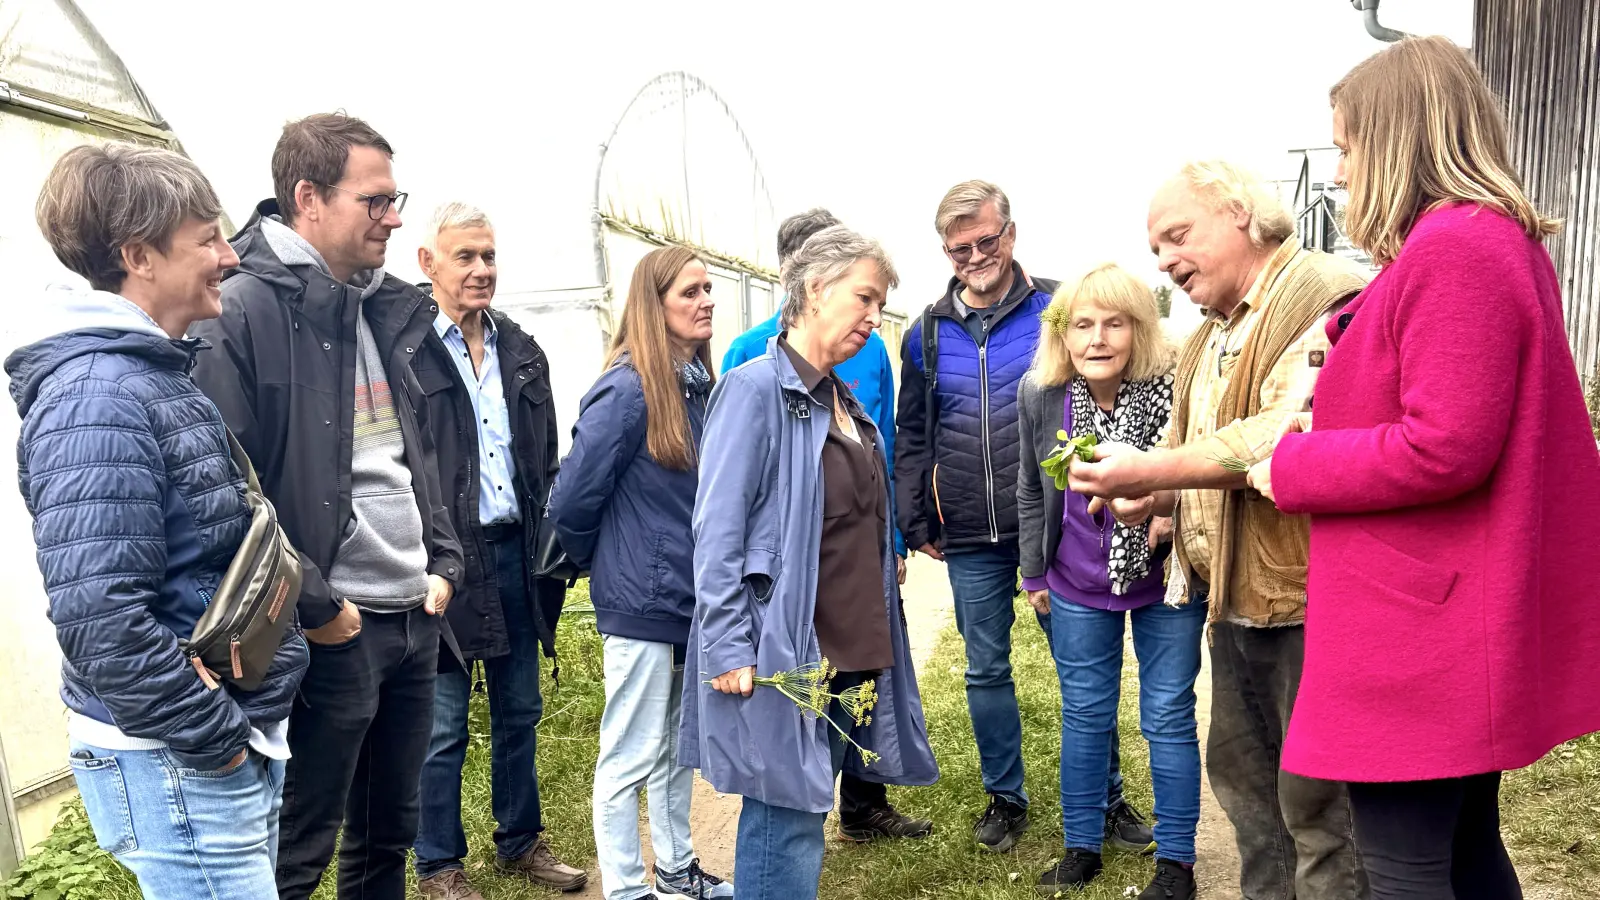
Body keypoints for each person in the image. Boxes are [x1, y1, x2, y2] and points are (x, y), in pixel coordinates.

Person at [1245, 36, 1600, 900]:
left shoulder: (1460, 248)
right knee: (1466, 855)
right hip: (1437, 615)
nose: (1338, 172)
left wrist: (1286, 466)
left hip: (1419, 633)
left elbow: (1445, 444)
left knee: (1407, 871)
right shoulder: (1472, 244)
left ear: (1400, 138)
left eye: (1348, 147)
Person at [10, 143, 309, 897]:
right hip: (176, 757)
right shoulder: (98, 397)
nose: (228, 258)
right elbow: (101, 615)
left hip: (198, 749)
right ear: (139, 256)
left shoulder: (147, 373)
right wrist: (218, 741)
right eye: (206, 239)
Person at [1066, 160, 1370, 900]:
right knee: (1245, 786)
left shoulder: (1321, 295)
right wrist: (1160, 503)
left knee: (1320, 805)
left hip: (1306, 603)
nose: (1166, 260)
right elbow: (1197, 459)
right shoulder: (1208, 335)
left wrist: (1150, 469)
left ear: (1239, 213)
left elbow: (1286, 436)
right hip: (1233, 604)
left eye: (1177, 236)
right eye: (1156, 250)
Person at [190, 113, 464, 900]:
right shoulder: (243, 311)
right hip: (330, 631)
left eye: (394, 198)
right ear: (308, 197)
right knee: (297, 851)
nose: (397, 217)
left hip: (412, 613)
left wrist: (441, 563)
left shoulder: (381, 306)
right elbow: (227, 485)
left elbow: (422, 454)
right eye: (376, 201)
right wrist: (320, 609)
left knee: (388, 837)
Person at [894, 180, 1152, 853]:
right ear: (945, 252)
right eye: (960, 249)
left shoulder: (1060, 309)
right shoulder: (925, 332)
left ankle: (1107, 799)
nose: (976, 256)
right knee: (985, 668)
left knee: (1081, 666)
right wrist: (914, 516)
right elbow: (913, 431)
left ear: (1010, 234)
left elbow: (1107, 397)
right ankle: (1005, 798)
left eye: (987, 240)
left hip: (1056, 522)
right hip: (971, 531)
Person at [683, 225, 939, 900]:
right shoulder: (752, 390)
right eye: (865, 297)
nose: (874, 315)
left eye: (880, 302)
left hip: (847, 643)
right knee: (786, 812)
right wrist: (729, 647)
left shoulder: (839, 398)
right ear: (817, 289)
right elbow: (716, 532)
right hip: (785, 647)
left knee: (809, 803)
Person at [411, 203, 587, 898]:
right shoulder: (407, 355)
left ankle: (520, 841)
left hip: (515, 554)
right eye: (465, 257)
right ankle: (438, 865)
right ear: (428, 264)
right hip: (443, 561)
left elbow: (543, 462)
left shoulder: (520, 349)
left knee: (520, 709)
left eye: (488, 256)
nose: (482, 270)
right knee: (443, 723)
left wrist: (557, 542)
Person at [548, 246, 732, 900]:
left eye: (709, 288)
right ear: (653, 306)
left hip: (687, 602)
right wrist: (609, 563)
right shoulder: (628, 388)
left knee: (676, 754)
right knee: (627, 757)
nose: (706, 300)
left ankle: (679, 876)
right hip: (641, 602)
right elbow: (572, 498)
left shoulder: (695, 387)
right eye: (690, 291)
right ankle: (627, 890)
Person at [1016, 264, 1201, 899]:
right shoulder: (1040, 395)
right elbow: (1029, 488)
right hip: (1074, 582)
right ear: (1063, 336)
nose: (1096, 339)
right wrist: (1034, 569)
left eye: (1114, 324)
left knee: (1168, 716)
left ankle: (1176, 861)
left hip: (1165, 582)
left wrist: (1166, 508)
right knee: (1086, 714)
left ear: (1139, 330)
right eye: (1082, 325)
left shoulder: (1173, 392)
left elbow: (1203, 478)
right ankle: (1081, 847)